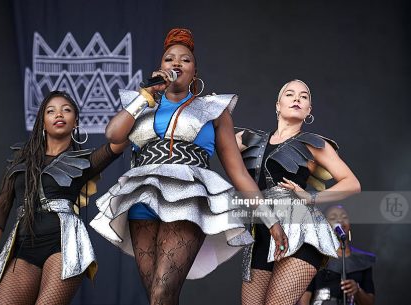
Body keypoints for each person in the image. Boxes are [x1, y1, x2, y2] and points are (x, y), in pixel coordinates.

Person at [90, 28, 288, 305]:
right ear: (160, 68)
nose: (176, 64)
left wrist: (271, 220)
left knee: (162, 292)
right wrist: (145, 96)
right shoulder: (141, 104)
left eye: (185, 59)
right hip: (141, 200)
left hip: (188, 199)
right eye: (169, 59)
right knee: (158, 298)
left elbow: (238, 172)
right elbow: (113, 135)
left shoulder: (213, 110)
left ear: (194, 71)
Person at [0, 91, 126, 305]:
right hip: (23, 247)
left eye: (66, 110)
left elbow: (119, 141)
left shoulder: (83, 162)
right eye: (51, 110)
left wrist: (145, 97)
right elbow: (2, 203)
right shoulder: (21, 159)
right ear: (42, 122)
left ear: (75, 122)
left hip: (63, 246)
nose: (59, 114)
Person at [236, 79, 361, 305]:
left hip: (300, 229)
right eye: (290, 94)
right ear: (277, 105)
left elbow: (352, 183)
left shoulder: (314, 143)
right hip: (261, 231)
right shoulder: (249, 139)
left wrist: (312, 197)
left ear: (308, 110)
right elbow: (212, 138)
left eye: (304, 97)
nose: (297, 99)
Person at [298, 205, 375, 305]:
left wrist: (357, 290)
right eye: (333, 218)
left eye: (344, 217)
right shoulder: (315, 257)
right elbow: (304, 300)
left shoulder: (362, 260)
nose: (340, 220)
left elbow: (370, 302)